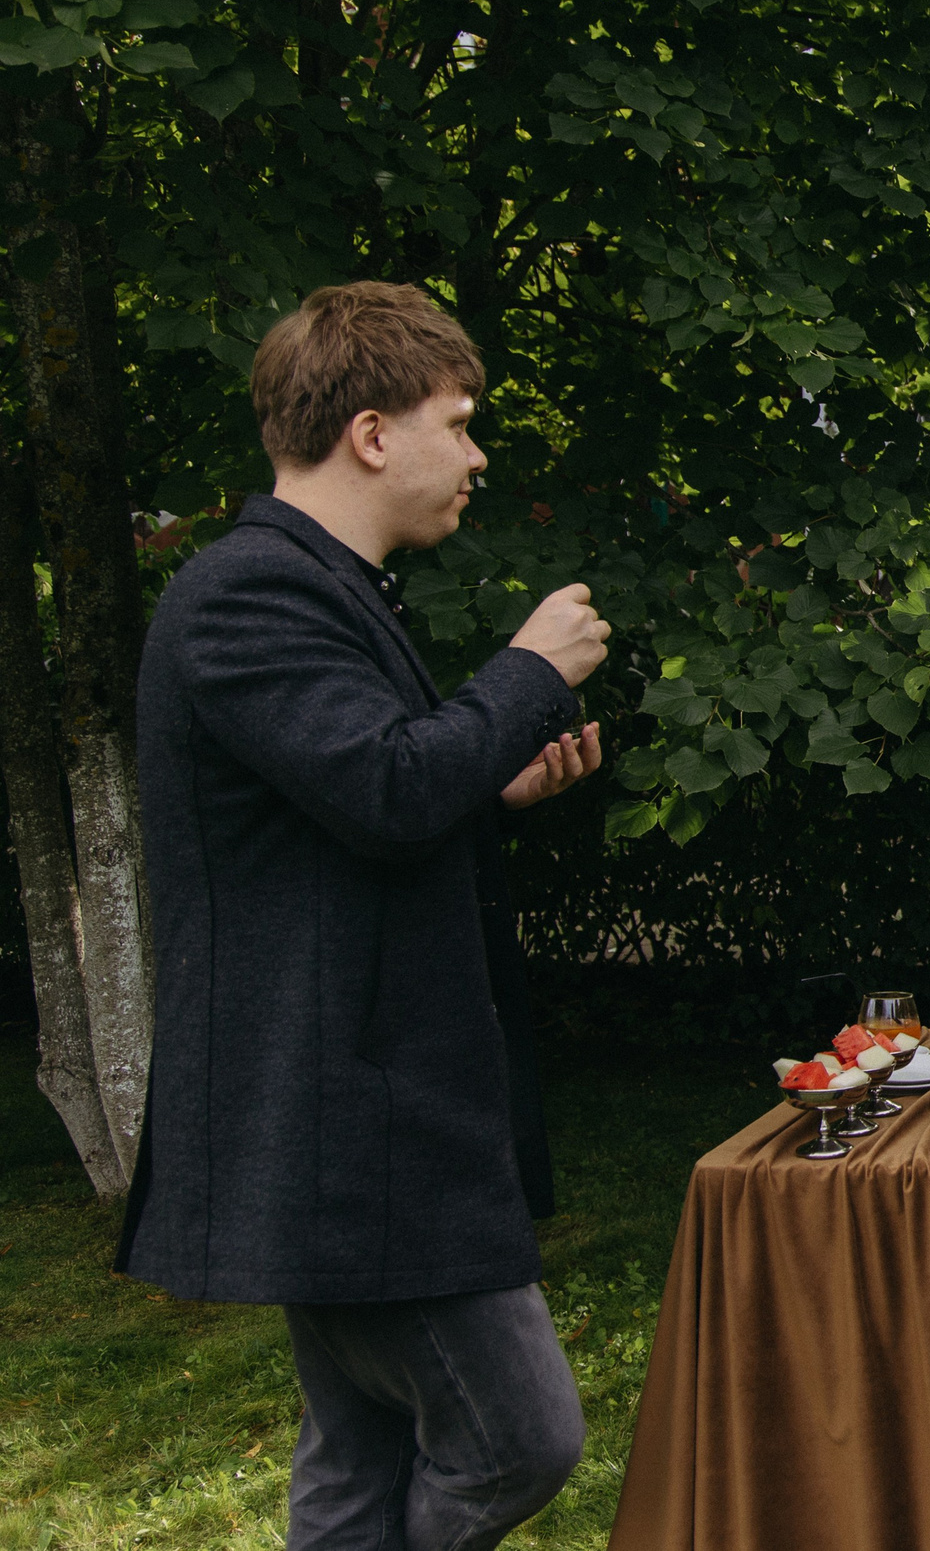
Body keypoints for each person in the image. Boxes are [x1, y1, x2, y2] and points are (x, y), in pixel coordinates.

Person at [115, 282, 616, 1550]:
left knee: (359, 1458)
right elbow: (388, 790)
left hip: (361, 1117)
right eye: (460, 422)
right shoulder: (248, 592)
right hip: (346, 1122)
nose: (478, 455)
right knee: (520, 1437)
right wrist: (528, 674)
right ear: (373, 433)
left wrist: (490, 784)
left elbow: (352, 801)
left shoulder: (321, 586)